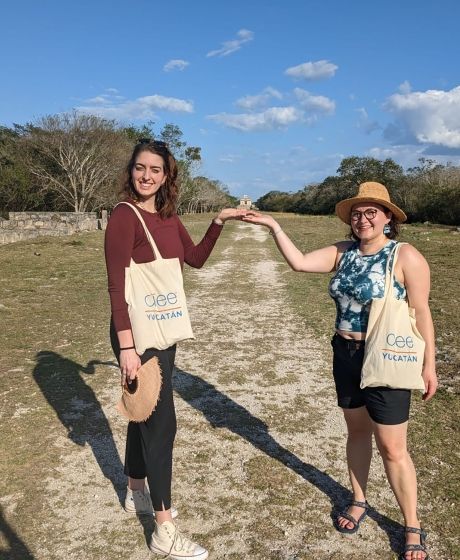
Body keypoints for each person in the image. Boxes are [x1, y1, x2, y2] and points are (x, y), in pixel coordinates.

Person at [242, 182, 436, 560]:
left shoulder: (405, 256)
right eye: (356, 214)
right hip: (344, 353)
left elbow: (422, 311)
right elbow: (298, 263)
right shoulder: (342, 252)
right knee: (357, 432)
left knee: (393, 448)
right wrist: (272, 226)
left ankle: (411, 523)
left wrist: (429, 364)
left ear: (388, 218)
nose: (362, 219)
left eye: (371, 213)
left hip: (386, 357)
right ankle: (359, 499)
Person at [105, 139, 246, 559]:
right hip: (137, 333)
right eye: (140, 168)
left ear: (168, 177)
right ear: (131, 171)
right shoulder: (123, 216)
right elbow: (116, 287)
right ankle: (164, 529)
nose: (146, 176)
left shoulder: (168, 216)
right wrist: (128, 348)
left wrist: (219, 221)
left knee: (144, 410)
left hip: (162, 330)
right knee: (163, 425)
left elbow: (196, 259)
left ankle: (135, 490)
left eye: (155, 170)